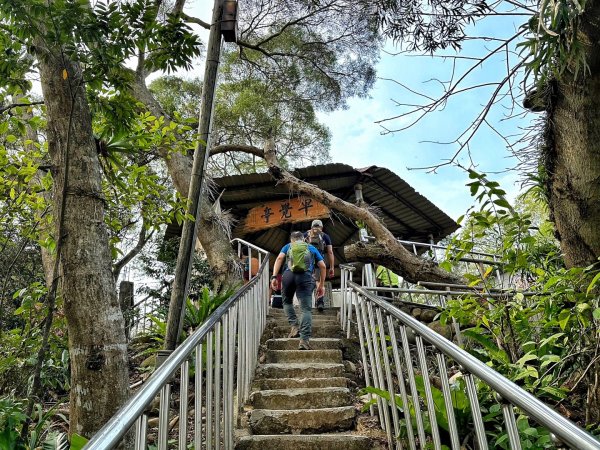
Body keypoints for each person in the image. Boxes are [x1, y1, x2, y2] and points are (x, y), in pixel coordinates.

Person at [271, 231, 326, 350]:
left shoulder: (288, 246)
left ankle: (294, 326)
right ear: (304, 239)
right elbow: (322, 266)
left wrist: (274, 277)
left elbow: (280, 258)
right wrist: (321, 285)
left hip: (288, 276)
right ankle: (304, 341)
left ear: (292, 240)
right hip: (305, 277)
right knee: (305, 309)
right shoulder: (310, 247)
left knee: (287, 302)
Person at [304, 219, 334, 312]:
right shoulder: (325, 236)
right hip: (319, 260)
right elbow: (330, 252)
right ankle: (320, 302)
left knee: (306, 281)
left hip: (307, 261)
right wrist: (332, 267)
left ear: (311, 226)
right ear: (321, 227)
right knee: (319, 282)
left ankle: (306, 303)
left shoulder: (305, 234)